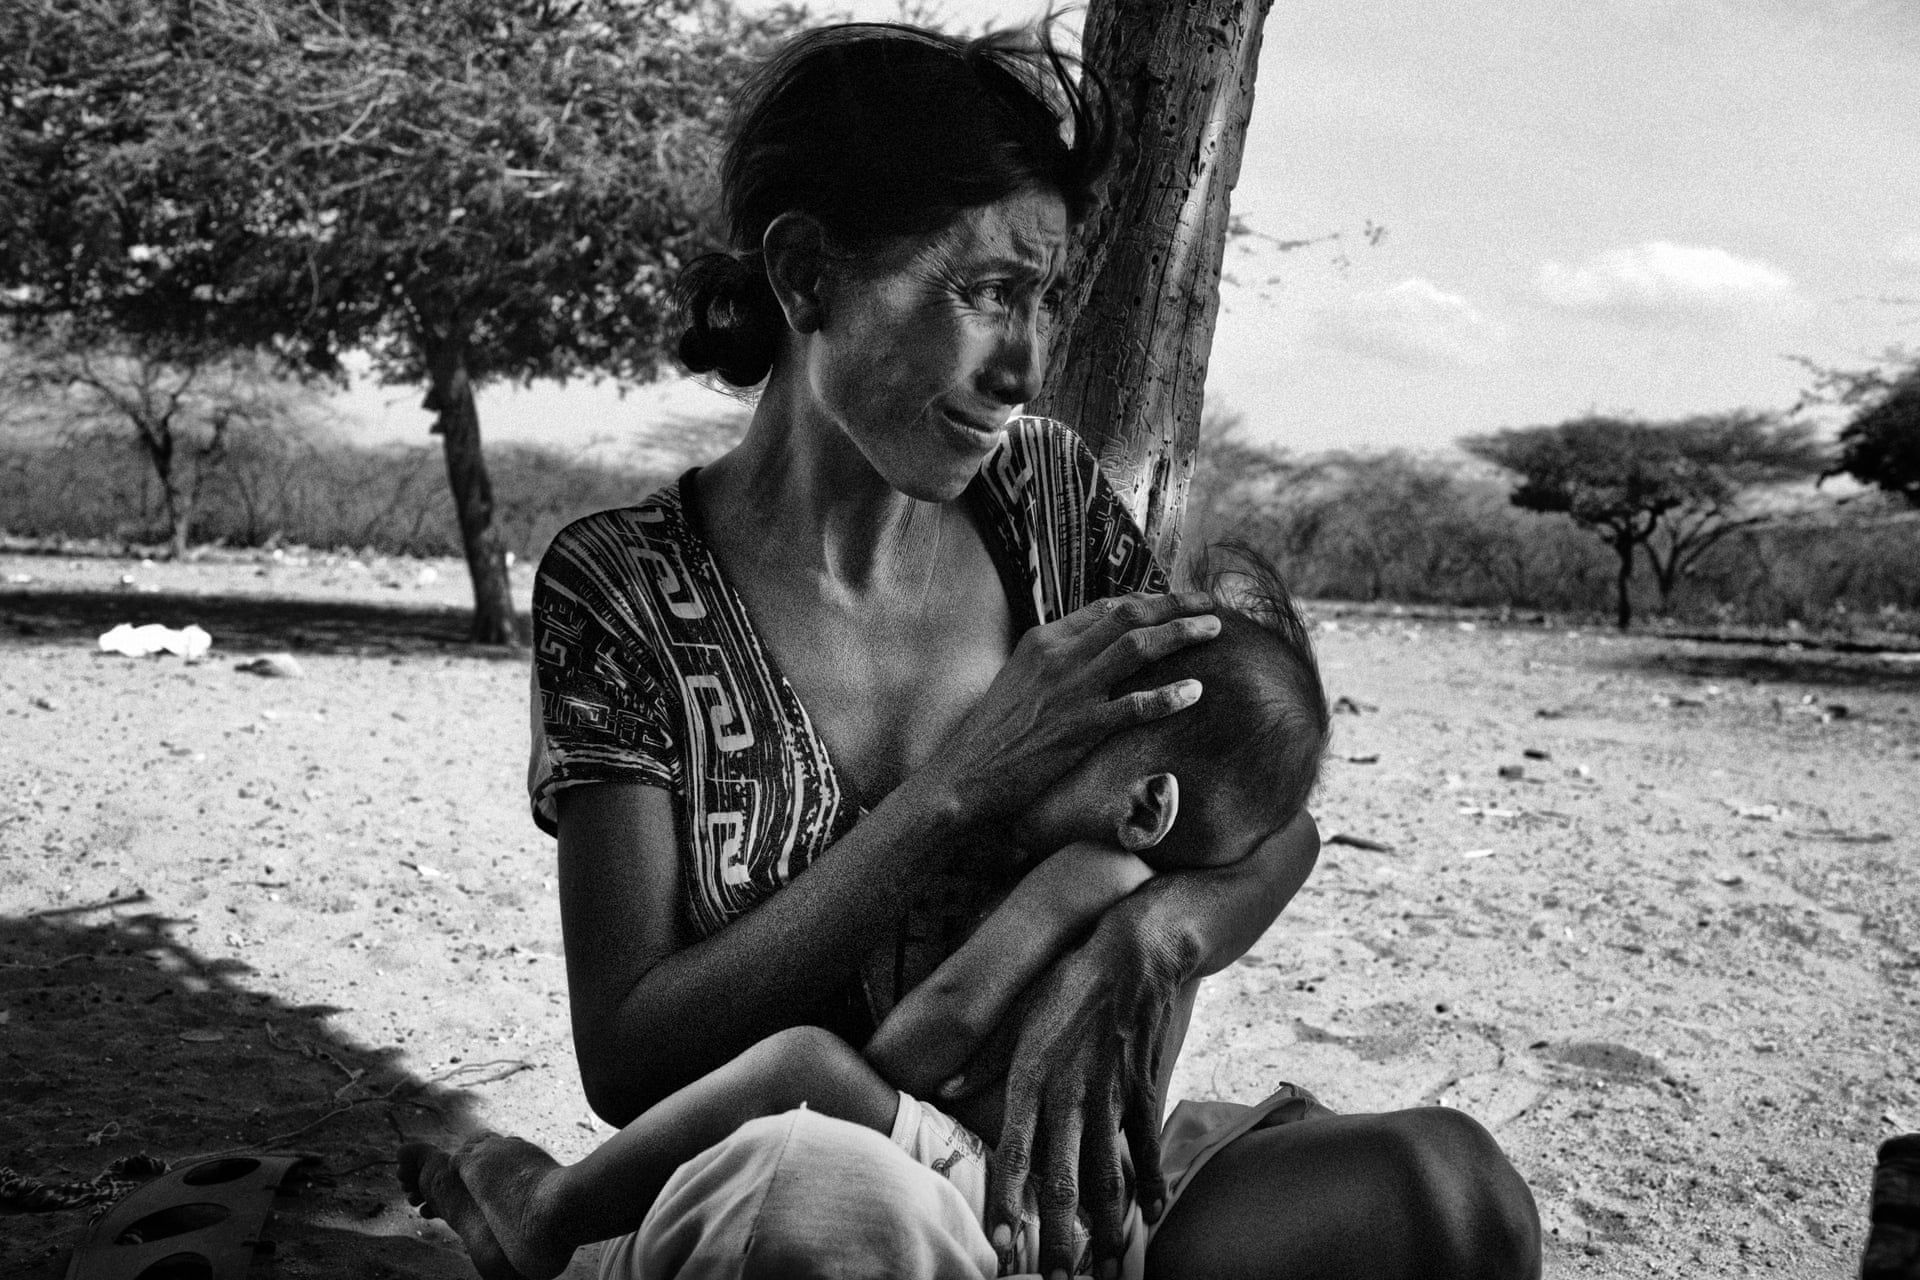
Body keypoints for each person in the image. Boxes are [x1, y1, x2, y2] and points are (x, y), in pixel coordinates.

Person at [512, 18, 1541, 1280]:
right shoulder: (622, 587)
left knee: (1448, 1189)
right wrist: (955, 793)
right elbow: (627, 1058)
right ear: (806, 278)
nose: (1025, 363)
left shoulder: (1047, 503)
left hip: (1059, 1212)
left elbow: (1267, 813)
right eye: (986, 292)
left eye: (1041, 298)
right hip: (771, 1195)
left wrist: (1148, 937)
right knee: (832, 1206)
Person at [405, 575, 1333, 1280]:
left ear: (1145, 807)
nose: (1037, 753)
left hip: (986, 1190)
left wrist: (878, 1077)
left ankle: (554, 1209)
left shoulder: (1088, 873)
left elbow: (954, 1013)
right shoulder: (1177, 893)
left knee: (805, 1064)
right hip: (1099, 1221)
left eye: (1072, 743)